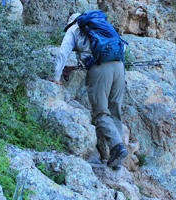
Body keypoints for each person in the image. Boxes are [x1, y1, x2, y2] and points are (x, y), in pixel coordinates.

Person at [52, 12, 128, 169]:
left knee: (100, 112)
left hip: (100, 69)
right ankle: (117, 160)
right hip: (119, 66)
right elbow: (122, 46)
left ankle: (117, 147)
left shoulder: (73, 29)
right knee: (115, 109)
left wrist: (56, 76)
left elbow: (62, 53)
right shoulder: (102, 26)